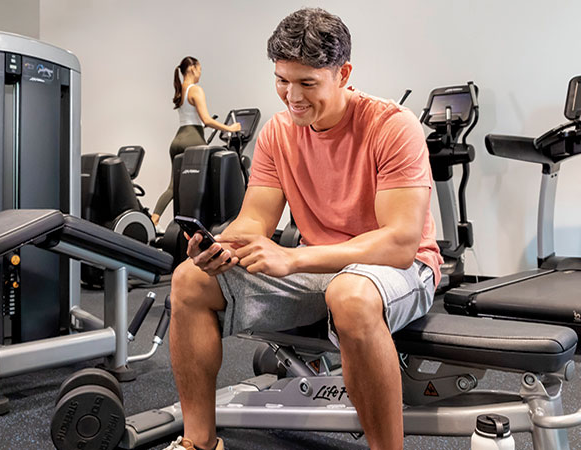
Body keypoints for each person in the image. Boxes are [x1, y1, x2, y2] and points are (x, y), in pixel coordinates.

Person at [164, 8, 442, 450]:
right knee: (190, 280)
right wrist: (222, 246)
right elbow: (256, 219)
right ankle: (199, 444)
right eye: (282, 80)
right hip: (319, 268)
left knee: (348, 295)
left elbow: (401, 242)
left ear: (343, 74)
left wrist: (292, 257)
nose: (291, 96)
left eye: (307, 83)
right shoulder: (278, 133)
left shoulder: (392, 127)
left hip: (397, 268)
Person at [151, 56, 241, 227]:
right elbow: (206, 119)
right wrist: (231, 128)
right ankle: (203, 223)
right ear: (192, 68)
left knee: (174, 186)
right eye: (199, 69)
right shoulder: (196, 90)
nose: (200, 73)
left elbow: (193, 119)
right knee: (204, 183)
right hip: (193, 140)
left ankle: (154, 219)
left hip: (178, 139)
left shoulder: (181, 89)